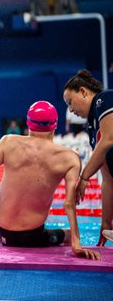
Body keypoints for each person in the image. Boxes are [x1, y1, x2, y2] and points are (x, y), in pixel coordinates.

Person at [0, 101, 100, 259]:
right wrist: (76, 244)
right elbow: (69, 204)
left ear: (28, 123)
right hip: (33, 237)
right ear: (55, 125)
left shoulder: (7, 142)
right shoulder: (70, 158)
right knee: (67, 234)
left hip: (2, 233)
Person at [63, 69, 113, 246]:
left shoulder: (104, 99)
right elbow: (108, 179)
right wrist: (105, 224)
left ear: (83, 92)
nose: (70, 109)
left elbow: (109, 138)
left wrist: (84, 178)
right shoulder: (92, 128)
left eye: (70, 102)